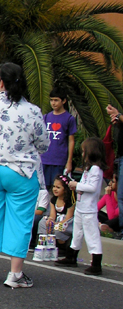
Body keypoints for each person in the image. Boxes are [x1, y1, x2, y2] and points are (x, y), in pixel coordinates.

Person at [0, 62, 48, 288]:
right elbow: (43, 144)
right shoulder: (32, 111)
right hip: (20, 171)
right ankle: (15, 274)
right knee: (20, 221)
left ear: (1, 83)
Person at [56, 137, 105, 275]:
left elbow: (92, 187)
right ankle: (71, 256)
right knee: (76, 233)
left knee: (91, 235)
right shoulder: (88, 170)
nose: (83, 154)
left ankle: (96, 264)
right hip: (81, 207)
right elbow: (85, 186)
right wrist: (75, 185)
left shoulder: (96, 169)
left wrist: (76, 185)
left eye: (84, 151)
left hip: (89, 209)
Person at [41, 88, 77, 189]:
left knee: (58, 188)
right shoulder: (46, 117)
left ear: (63, 101)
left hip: (59, 160)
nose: (53, 103)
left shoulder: (69, 118)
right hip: (44, 159)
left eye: (56, 100)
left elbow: (71, 140)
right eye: (51, 100)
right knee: (43, 189)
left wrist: (69, 162)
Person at [37, 175, 74, 247]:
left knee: (58, 228)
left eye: (58, 187)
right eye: (54, 186)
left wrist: (57, 224)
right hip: (56, 220)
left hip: (66, 222)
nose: (55, 189)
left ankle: (60, 243)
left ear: (65, 189)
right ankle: (43, 243)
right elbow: (52, 215)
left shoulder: (70, 202)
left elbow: (68, 218)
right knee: (43, 223)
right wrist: (50, 220)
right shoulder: (53, 200)